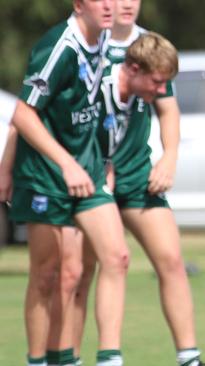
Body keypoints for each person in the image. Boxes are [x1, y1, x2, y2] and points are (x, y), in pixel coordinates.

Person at [43, 2, 205, 365]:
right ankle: (71, 357)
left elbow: (167, 108)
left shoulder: (150, 45)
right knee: (80, 272)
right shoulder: (87, 45)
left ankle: (189, 357)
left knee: (171, 260)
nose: (127, 4)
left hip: (136, 175)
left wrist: (168, 157)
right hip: (91, 176)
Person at [4, 1, 132, 365]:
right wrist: (60, 165)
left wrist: (102, 161)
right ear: (79, 4)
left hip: (87, 171)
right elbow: (24, 114)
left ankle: (108, 357)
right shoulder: (59, 46)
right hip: (46, 175)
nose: (109, 5)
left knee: (117, 257)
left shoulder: (104, 39)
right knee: (49, 274)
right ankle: (39, 360)